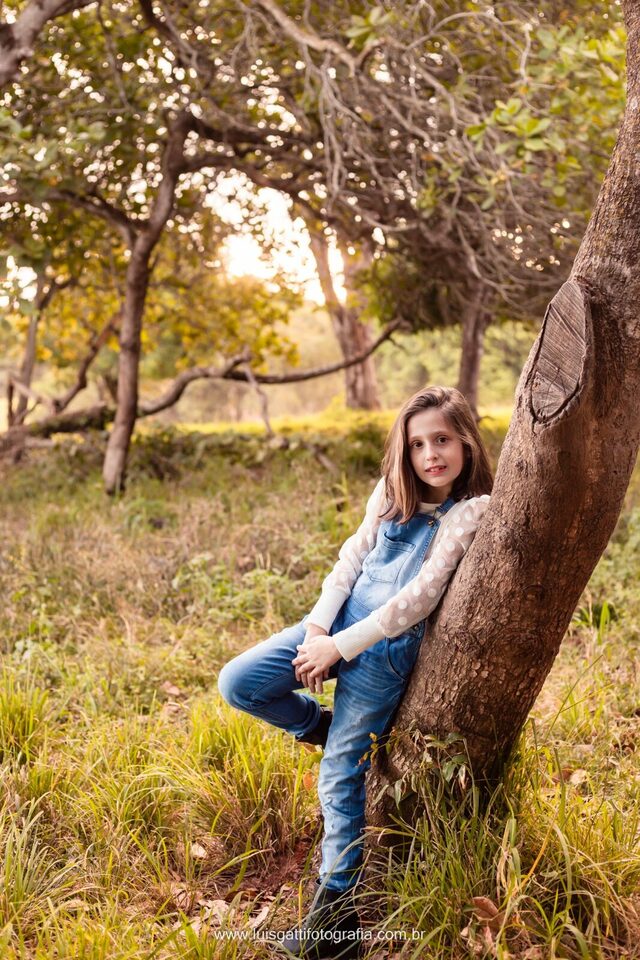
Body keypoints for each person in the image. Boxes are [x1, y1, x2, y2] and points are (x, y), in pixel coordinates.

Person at [217, 386, 493, 958]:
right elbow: (350, 559)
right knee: (239, 683)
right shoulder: (392, 492)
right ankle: (322, 727)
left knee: (338, 775)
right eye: (417, 444)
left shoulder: (471, 511)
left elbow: (419, 598)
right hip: (334, 627)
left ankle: (335, 924)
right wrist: (317, 631)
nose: (430, 454)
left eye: (442, 440)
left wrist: (339, 649)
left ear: (466, 441)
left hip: (384, 650)